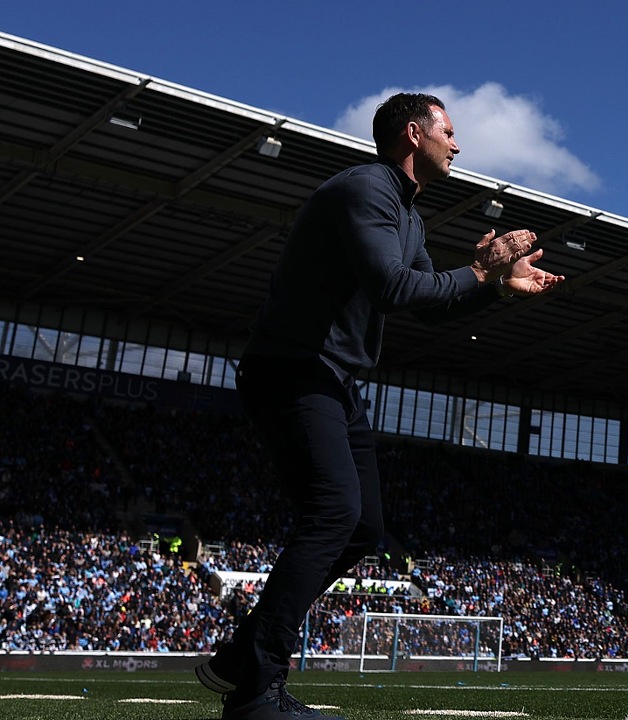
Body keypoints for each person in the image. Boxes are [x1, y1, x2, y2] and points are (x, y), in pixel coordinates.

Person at [195, 92, 563, 720]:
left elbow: (433, 298)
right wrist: (480, 273)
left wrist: (495, 284)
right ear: (414, 134)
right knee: (334, 512)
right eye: (449, 131)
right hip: (293, 369)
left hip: (334, 380)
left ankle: (240, 657)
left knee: (365, 530)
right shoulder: (366, 190)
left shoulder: (409, 215)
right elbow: (393, 288)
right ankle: (256, 690)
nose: (458, 143)